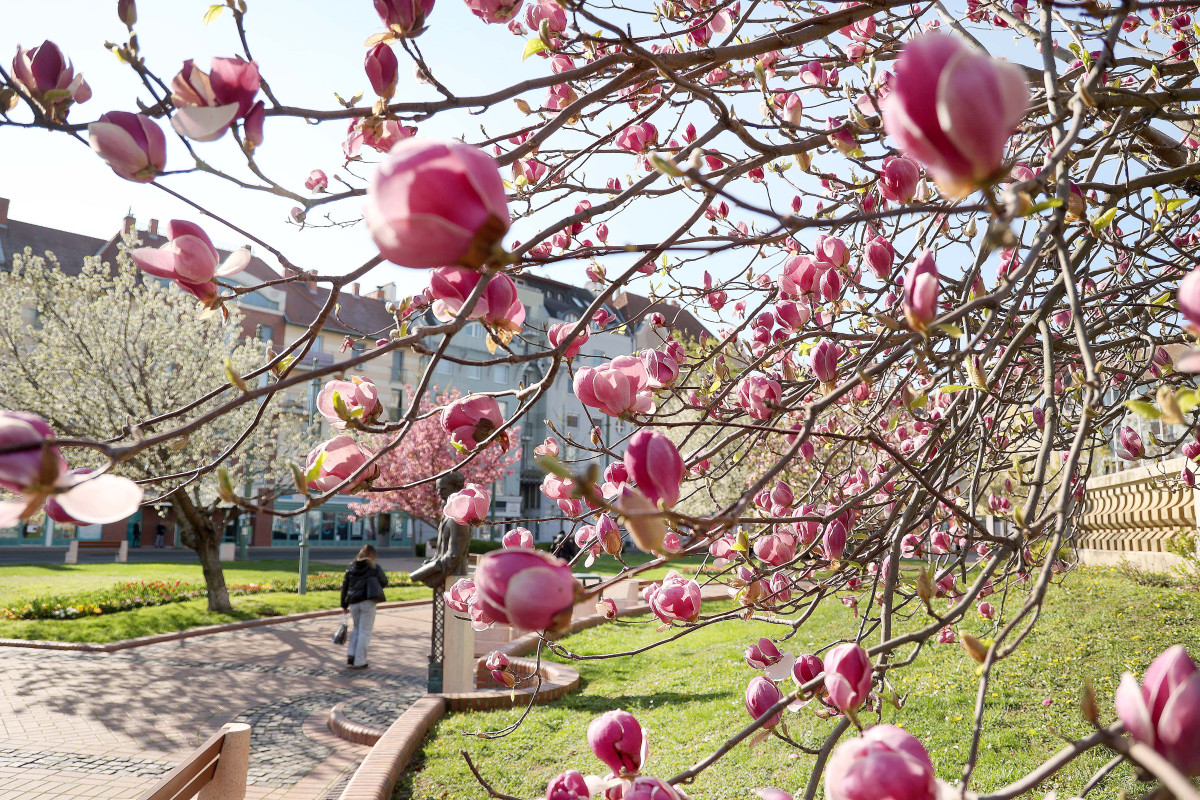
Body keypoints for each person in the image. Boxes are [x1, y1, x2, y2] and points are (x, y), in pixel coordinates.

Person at [340, 543, 388, 669]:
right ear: (373, 555)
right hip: (368, 601)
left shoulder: (352, 566)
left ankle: (351, 654)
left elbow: (345, 586)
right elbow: (384, 582)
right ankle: (360, 661)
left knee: (357, 629)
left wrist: (344, 605)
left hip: (353, 602)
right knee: (364, 631)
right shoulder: (374, 567)